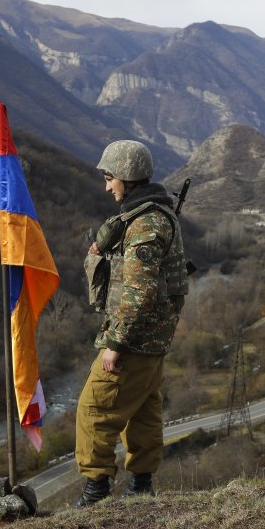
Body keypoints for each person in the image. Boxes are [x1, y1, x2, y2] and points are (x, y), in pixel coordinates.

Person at [74, 140, 188, 507]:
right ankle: (140, 488)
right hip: (151, 340)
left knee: (94, 410)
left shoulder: (145, 224)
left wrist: (116, 343)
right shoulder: (151, 216)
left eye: (110, 178)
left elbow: (139, 292)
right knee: (141, 412)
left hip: (134, 340)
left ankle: (95, 494)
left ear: (127, 177)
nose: (107, 186)